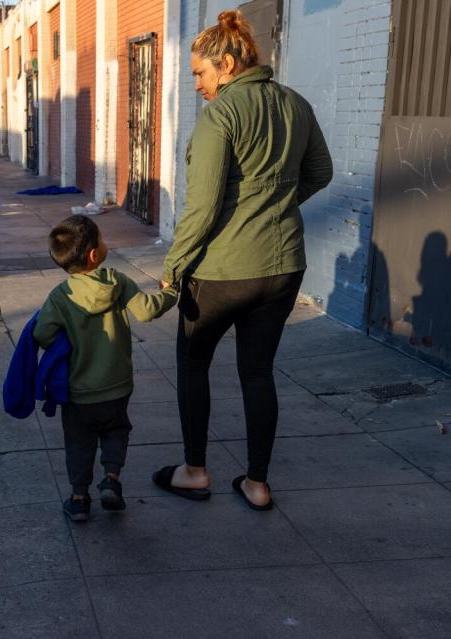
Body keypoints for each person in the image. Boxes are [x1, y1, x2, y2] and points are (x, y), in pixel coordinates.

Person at [152, 10, 333, 510]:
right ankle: (257, 483)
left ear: (227, 65)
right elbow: (321, 171)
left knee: (192, 363)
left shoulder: (222, 115)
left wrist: (174, 265)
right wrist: (276, 207)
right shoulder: (295, 104)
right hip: (282, 268)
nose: (197, 86)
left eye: (200, 74)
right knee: (257, 371)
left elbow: (204, 205)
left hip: (222, 273)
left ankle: (194, 471)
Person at [33, 215, 178, 521]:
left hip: (78, 390)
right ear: (93, 255)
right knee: (116, 430)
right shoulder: (117, 281)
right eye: (102, 238)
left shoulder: (61, 296)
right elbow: (146, 310)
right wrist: (170, 292)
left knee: (78, 441)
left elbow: (42, 334)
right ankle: (111, 479)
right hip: (117, 385)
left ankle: (79, 497)